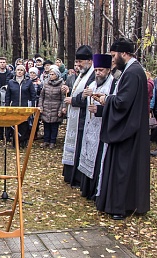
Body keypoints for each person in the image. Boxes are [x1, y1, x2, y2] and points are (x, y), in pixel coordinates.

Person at [96, 38, 150, 220]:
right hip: (129, 127)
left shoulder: (133, 73)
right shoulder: (130, 71)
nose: (112, 60)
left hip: (128, 130)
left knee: (123, 169)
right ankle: (121, 204)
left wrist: (106, 99)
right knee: (123, 167)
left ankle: (120, 206)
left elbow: (123, 102)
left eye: (113, 55)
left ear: (124, 54)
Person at [77, 54, 113, 200]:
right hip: (89, 129)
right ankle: (86, 189)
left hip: (101, 130)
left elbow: (114, 107)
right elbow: (80, 99)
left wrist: (99, 111)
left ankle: (94, 191)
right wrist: (84, 95)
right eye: (96, 70)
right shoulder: (92, 84)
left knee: (98, 160)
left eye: (101, 70)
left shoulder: (112, 85)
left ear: (108, 71)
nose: (98, 73)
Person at [62, 45, 95, 188]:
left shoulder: (93, 75)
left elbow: (88, 96)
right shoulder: (82, 74)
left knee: (79, 148)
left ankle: (77, 178)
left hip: (84, 118)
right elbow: (78, 91)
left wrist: (73, 100)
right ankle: (70, 176)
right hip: (76, 118)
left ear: (89, 61)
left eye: (80, 61)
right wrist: (69, 91)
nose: (78, 64)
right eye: (77, 61)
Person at [5, 64, 37, 148]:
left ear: (24, 72)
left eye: (21, 70)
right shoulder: (11, 82)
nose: (19, 72)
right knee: (15, 125)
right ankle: (15, 143)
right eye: (18, 70)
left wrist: (32, 106)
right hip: (14, 107)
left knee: (24, 125)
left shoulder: (28, 82)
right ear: (15, 71)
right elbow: (7, 96)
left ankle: (23, 141)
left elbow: (33, 95)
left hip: (25, 107)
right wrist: (7, 107)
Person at [38, 65, 66, 149]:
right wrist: (41, 106)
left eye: (53, 74)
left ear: (57, 75)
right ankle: (46, 140)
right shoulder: (46, 83)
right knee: (46, 125)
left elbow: (63, 98)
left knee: (54, 126)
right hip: (46, 107)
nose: (51, 76)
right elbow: (41, 96)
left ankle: (52, 141)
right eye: (50, 74)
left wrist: (61, 109)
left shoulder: (62, 84)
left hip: (56, 107)